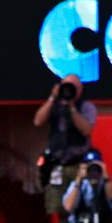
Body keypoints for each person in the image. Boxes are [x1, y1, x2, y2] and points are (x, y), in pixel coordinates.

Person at [34, 74, 98, 215]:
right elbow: (38, 121)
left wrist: (72, 107)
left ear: (80, 89)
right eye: (66, 86)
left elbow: (86, 129)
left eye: (73, 87)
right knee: (57, 207)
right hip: (57, 164)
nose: (69, 90)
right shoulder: (55, 105)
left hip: (78, 164)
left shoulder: (86, 107)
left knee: (81, 203)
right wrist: (52, 97)